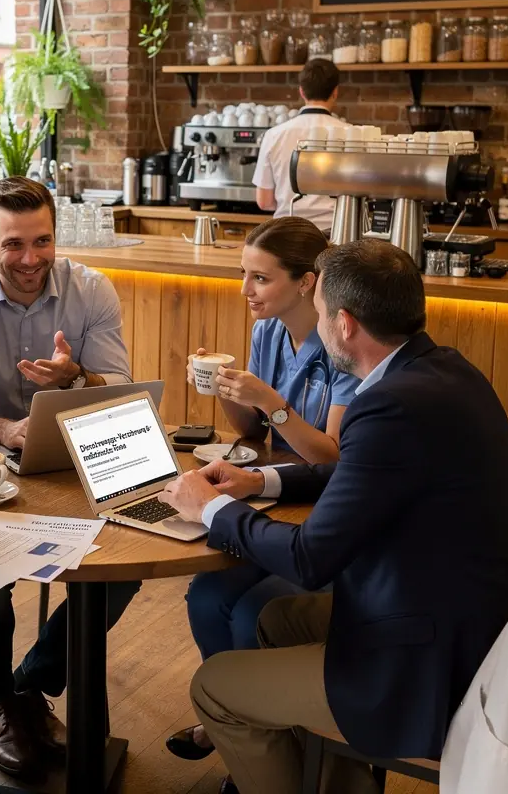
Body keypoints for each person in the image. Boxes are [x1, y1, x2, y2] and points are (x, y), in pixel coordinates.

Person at [159, 239, 508, 794]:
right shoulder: (444, 371)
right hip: (470, 621)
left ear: (343, 323)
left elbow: (310, 559)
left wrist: (211, 507)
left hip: (430, 662)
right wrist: (259, 479)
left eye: (319, 317)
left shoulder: (388, 405)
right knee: (272, 623)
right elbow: (366, 471)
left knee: (214, 687)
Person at [0, 176, 141, 779]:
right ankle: (0, 699)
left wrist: (74, 377)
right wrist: (2, 427)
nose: (30, 259)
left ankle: (26, 687)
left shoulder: (91, 287)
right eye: (13, 245)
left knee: (128, 563)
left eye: (41, 242)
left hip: (74, 456)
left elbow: (116, 388)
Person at [168, 217, 358, 763]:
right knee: (205, 595)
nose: (245, 291)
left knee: (253, 611)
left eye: (260, 278)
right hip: (273, 492)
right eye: (243, 275)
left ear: (306, 282)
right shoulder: (267, 331)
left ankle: (266, 732)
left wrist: (271, 400)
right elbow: (253, 432)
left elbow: (333, 456)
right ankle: (232, 719)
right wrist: (226, 390)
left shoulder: (341, 343)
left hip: (324, 506)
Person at [253, 58, 341, 231]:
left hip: (287, 233)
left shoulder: (274, 135)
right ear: (335, 92)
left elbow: (264, 202)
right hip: (336, 235)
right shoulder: (353, 135)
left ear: (302, 92)